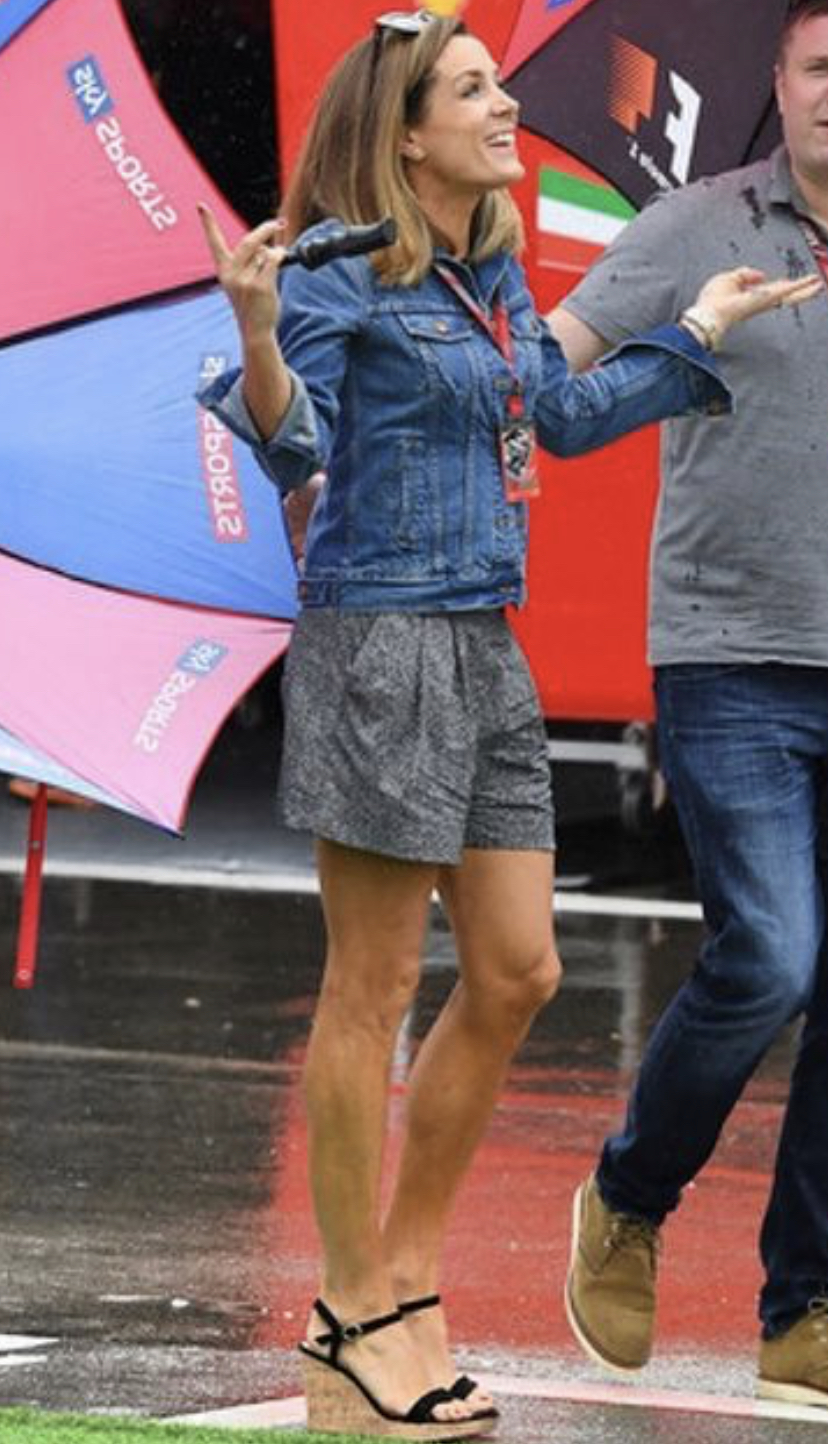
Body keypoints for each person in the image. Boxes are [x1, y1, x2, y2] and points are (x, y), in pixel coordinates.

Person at [196, 11, 816, 1437]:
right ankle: (356, 1310)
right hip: (380, 640)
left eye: (495, 86)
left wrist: (697, 332)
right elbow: (290, 442)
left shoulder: (485, 275)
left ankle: (402, 1277)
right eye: (473, 92)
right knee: (369, 990)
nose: (504, 107)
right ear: (407, 133)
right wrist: (257, 328)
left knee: (521, 971)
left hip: (484, 645)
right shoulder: (336, 274)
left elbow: (564, 412)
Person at [549, 0, 828, 1411]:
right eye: (823, 69)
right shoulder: (698, 224)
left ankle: (807, 1307)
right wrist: (690, 338)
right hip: (731, 657)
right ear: (779, 82)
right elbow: (550, 369)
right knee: (772, 957)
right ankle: (629, 1198)